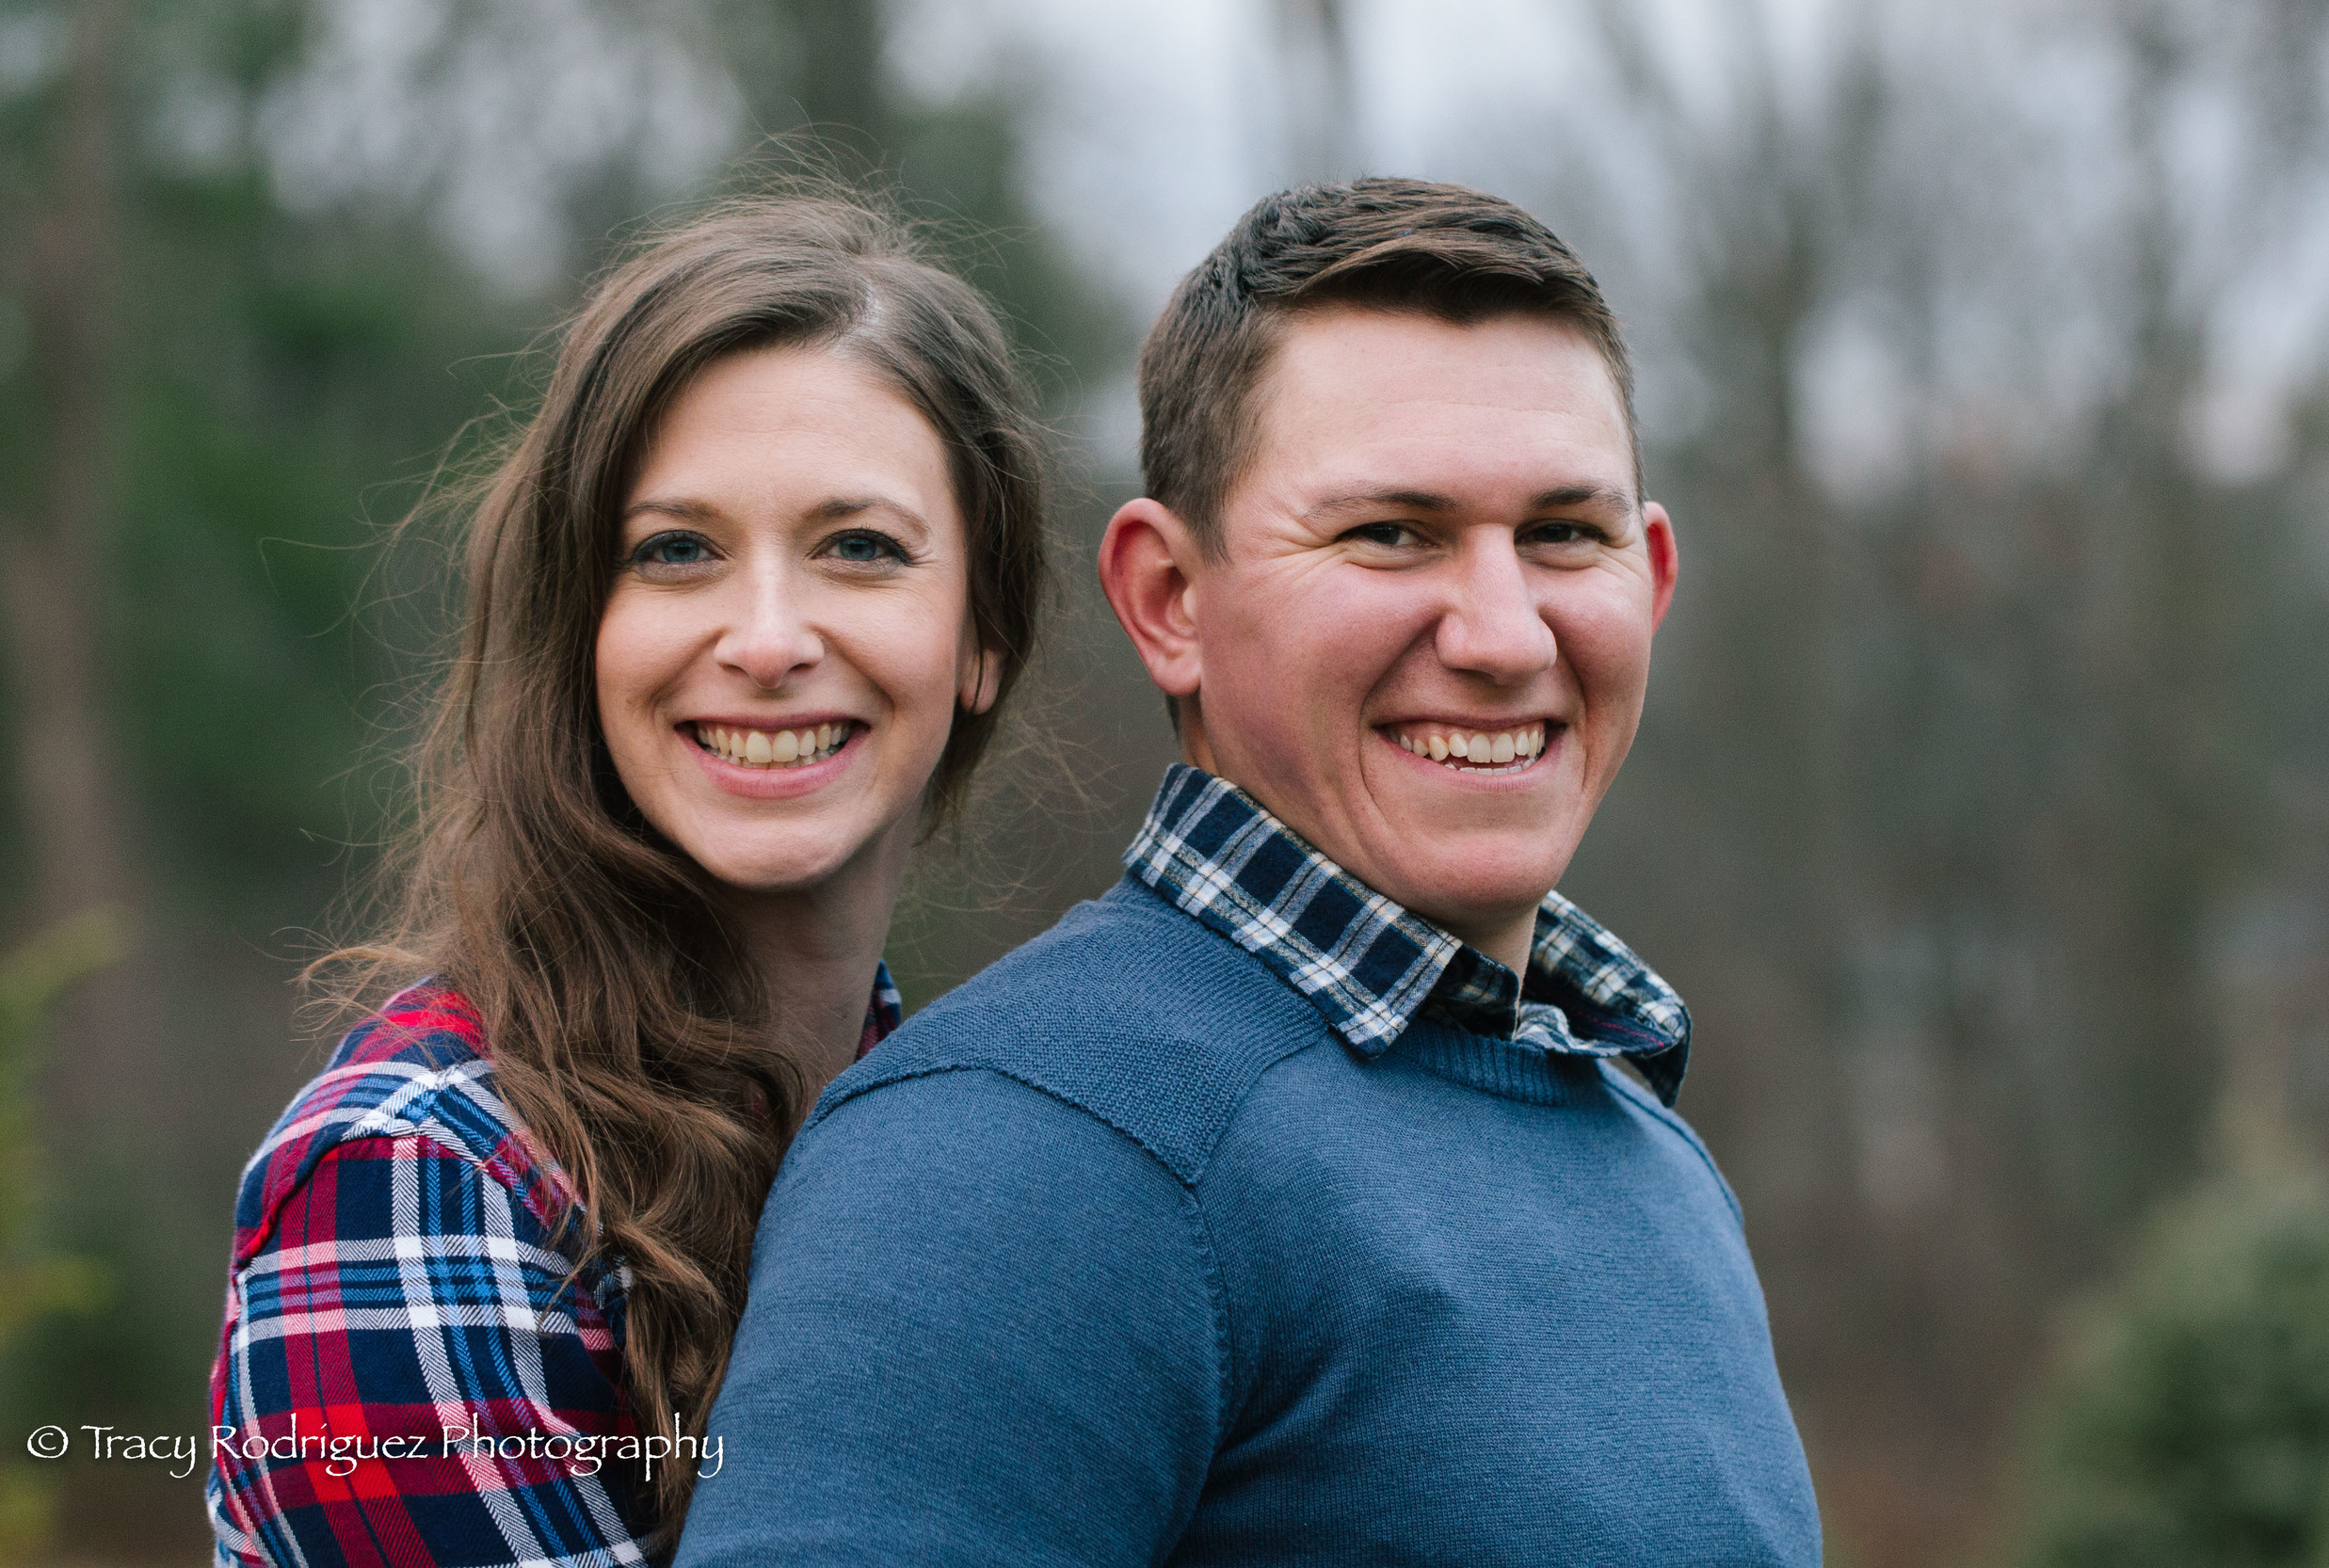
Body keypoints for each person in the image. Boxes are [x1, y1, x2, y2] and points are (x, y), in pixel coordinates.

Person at [677, 177, 1823, 1565]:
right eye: (1390, 532)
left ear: (1649, 575)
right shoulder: (1023, 1152)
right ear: (1170, 599)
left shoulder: (1642, 1142)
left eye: (1562, 535)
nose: (1505, 632)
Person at [204, 193, 1047, 1566]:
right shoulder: (416, 1175)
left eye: (860, 547)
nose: (768, 638)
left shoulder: (960, 1138)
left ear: (983, 634)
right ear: (581, 628)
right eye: (676, 550)